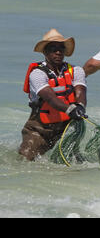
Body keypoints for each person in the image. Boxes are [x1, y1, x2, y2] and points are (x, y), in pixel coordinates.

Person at [19, 29, 87, 161]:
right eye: (53, 48)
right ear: (45, 52)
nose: (58, 52)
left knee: (75, 162)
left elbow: (80, 90)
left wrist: (80, 106)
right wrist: (70, 109)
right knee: (25, 160)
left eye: (61, 48)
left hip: (65, 128)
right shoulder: (37, 74)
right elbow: (50, 97)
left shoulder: (77, 70)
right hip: (39, 129)